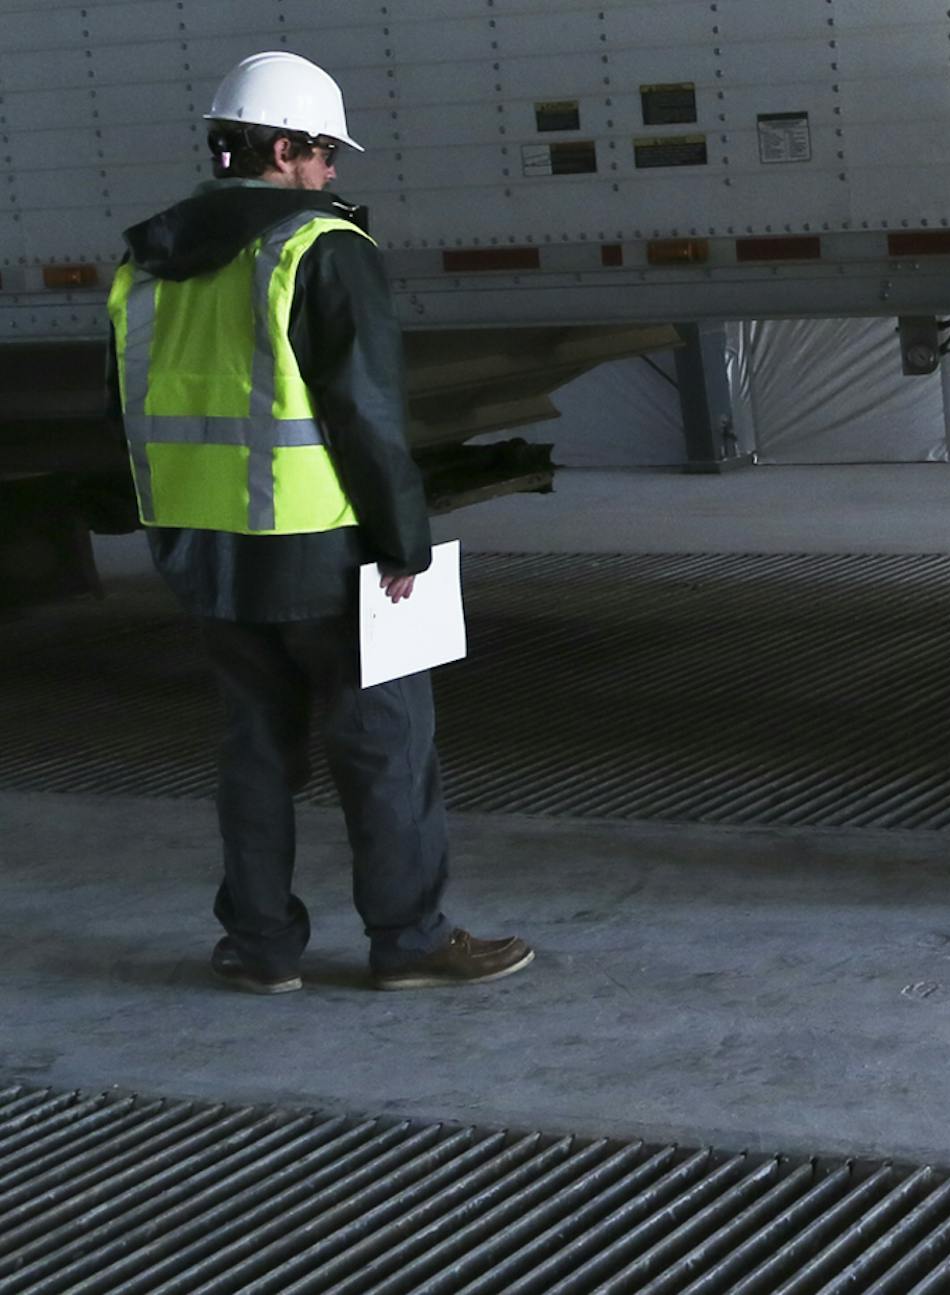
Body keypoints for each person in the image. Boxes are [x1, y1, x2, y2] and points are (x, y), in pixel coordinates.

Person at [105, 51, 533, 991]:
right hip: (323, 550)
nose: (336, 172)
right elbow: (365, 414)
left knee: (255, 748)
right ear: (286, 148)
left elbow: (132, 409)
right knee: (384, 746)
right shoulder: (319, 247)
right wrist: (402, 538)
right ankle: (410, 938)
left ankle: (259, 946)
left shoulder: (149, 262)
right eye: (326, 154)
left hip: (204, 545)